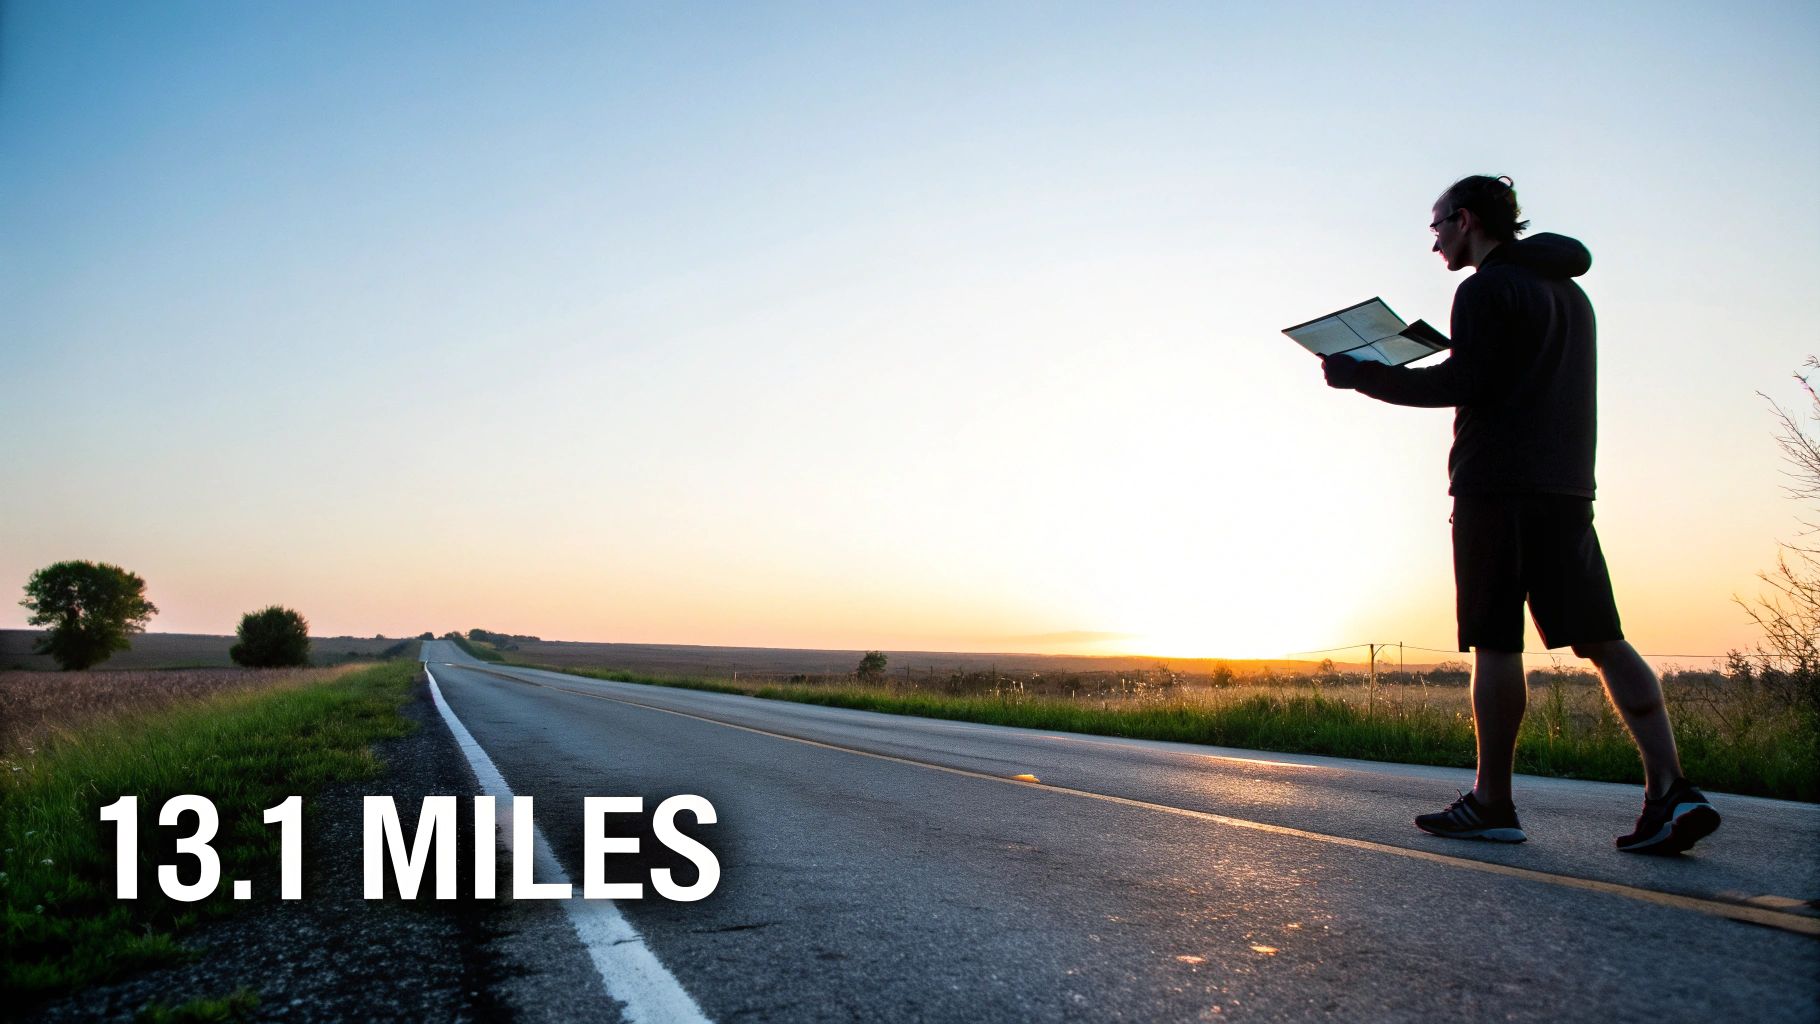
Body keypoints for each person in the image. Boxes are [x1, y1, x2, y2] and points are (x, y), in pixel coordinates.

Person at [1320, 175, 1720, 854]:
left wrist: (1364, 375)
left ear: (1468, 219)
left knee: (1496, 641)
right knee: (1602, 637)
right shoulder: (1569, 293)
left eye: (1438, 226)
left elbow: (1463, 385)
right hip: (1566, 490)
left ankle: (1493, 801)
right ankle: (1671, 789)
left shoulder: (1482, 290)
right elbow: (1505, 373)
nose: (1436, 241)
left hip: (1495, 488)